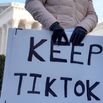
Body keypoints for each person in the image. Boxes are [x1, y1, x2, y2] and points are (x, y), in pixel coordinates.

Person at [25, 0, 98, 45]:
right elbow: (32, 2)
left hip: (78, 43)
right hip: (52, 37)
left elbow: (92, 15)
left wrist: (83, 27)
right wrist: (53, 24)